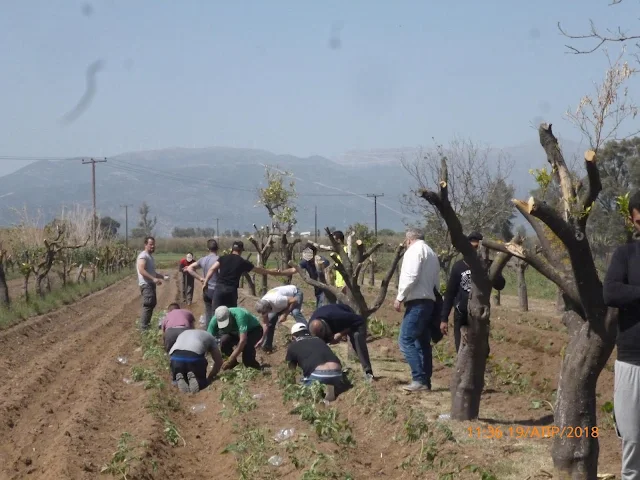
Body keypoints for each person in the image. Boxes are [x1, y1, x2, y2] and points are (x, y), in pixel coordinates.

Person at [603, 190, 640, 479]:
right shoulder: (625, 254)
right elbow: (611, 291)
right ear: (633, 220)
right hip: (632, 359)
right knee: (632, 438)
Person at [440, 232, 506, 353]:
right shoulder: (458, 267)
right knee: (461, 350)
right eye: (470, 247)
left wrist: (489, 271)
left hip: (480, 314)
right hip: (462, 315)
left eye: (477, 247)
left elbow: (500, 285)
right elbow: (450, 294)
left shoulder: (489, 265)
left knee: (481, 351)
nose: (473, 251)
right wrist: (444, 318)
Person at [394, 228, 441, 392]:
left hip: (417, 302)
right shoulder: (431, 253)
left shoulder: (413, 251)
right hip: (429, 301)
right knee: (422, 343)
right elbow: (437, 282)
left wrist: (400, 296)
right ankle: (426, 381)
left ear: (408, 240)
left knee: (405, 340)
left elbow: (411, 275)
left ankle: (418, 379)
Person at [202, 240, 281, 310]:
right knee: (231, 314)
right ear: (241, 251)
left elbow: (212, 269)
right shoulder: (242, 262)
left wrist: (205, 282)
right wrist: (271, 271)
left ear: (232, 249)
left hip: (219, 289)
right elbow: (259, 270)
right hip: (231, 291)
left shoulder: (223, 258)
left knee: (216, 315)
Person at [308, 303, 374, 381]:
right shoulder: (310, 327)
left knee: (357, 337)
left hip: (351, 321)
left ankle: (368, 372)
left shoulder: (339, 316)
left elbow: (360, 320)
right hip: (329, 322)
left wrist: (341, 334)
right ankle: (320, 371)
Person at [285, 323, 346, 397]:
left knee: (299, 381)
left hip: (319, 375)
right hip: (337, 374)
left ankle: (319, 395)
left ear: (293, 336)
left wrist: (292, 384)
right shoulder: (319, 339)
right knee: (325, 378)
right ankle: (330, 390)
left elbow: (291, 369)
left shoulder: (293, 345)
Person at [207, 305, 265, 370]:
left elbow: (243, 340)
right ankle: (234, 366)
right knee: (224, 342)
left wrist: (230, 359)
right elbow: (207, 340)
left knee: (247, 349)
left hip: (253, 330)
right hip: (236, 332)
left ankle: (254, 368)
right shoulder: (215, 320)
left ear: (230, 317)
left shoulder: (240, 315)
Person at [169, 328, 223, 394]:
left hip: (175, 358)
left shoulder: (183, 333)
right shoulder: (210, 337)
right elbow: (219, 361)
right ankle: (199, 381)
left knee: (178, 373)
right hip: (193, 359)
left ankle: (177, 381)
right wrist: (210, 377)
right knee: (203, 380)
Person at [255, 285, 307, 352]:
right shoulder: (263, 305)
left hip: (295, 293)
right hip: (284, 299)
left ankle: (307, 333)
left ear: (268, 308)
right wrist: (262, 339)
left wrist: (285, 314)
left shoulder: (277, 300)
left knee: (295, 312)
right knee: (271, 320)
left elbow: (294, 300)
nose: (263, 315)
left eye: (264, 313)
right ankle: (267, 346)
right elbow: (265, 324)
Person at [136, 236, 167, 330]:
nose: (153, 246)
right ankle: (144, 329)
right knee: (148, 305)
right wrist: (153, 279)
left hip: (150, 284)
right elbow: (141, 270)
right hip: (146, 284)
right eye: (150, 244)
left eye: (153, 244)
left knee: (151, 304)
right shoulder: (143, 256)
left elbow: (152, 272)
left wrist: (162, 277)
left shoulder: (150, 257)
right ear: (145, 245)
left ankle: (146, 327)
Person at [186, 239, 219, 324]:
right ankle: (216, 334)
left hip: (206, 289)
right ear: (217, 248)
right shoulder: (219, 259)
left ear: (208, 249)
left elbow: (189, 268)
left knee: (208, 312)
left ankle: (208, 332)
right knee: (217, 314)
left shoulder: (203, 260)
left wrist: (200, 278)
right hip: (217, 290)